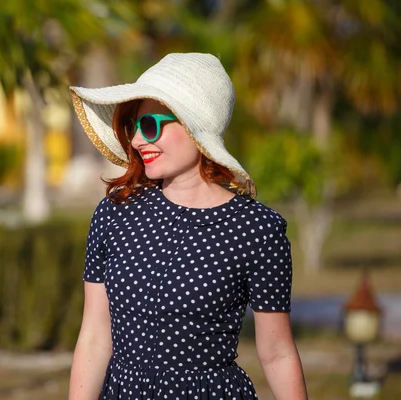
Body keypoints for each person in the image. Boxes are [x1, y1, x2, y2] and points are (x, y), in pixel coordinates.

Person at [68, 53, 308, 400]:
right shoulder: (114, 214)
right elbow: (94, 335)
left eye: (149, 126)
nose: (136, 141)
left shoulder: (258, 231)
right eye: (134, 125)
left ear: (195, 129)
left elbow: (277, 352)